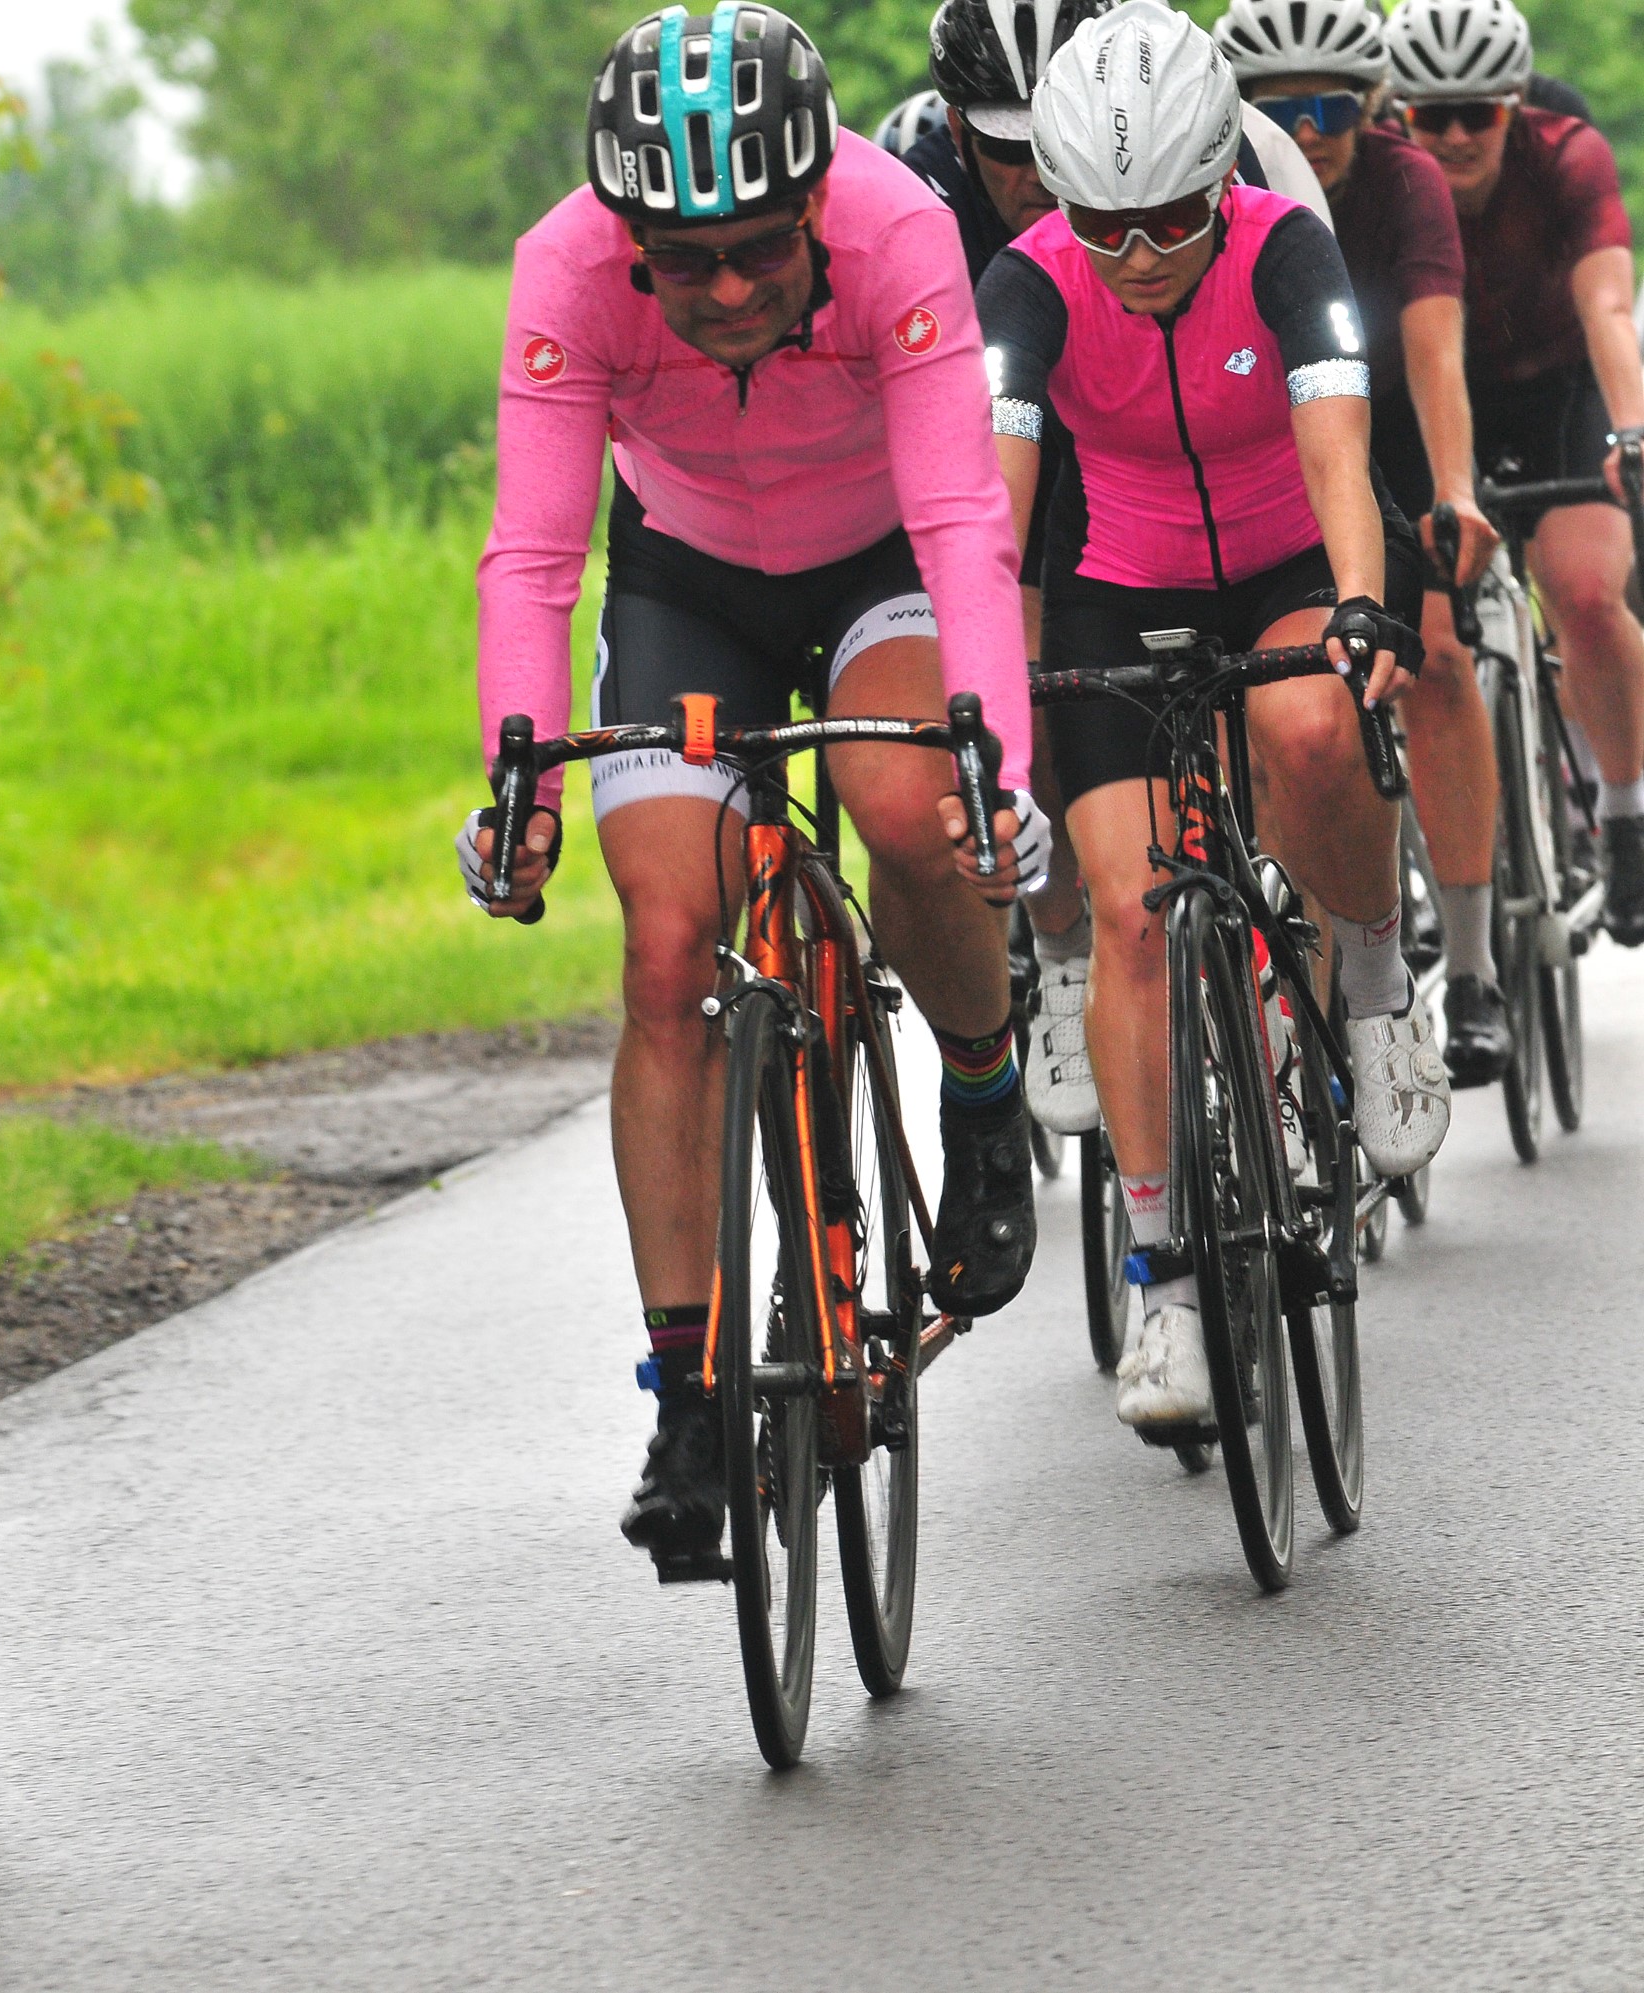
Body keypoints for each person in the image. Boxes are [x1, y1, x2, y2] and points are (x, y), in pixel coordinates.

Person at [471, 5, 1046, 1577]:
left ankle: (983, 1084)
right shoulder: (564, 269)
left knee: (903, 802)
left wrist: (993, 757)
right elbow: (534, 556)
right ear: (628, 239)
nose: (727, 292)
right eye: (684, 262)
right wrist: (518, 779)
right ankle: (691, 1398)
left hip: (881, 563)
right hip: (689, 582)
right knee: (668, 946)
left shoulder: (899, 227)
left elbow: (961, 519)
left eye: (759, 253)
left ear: (813, 206)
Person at [981, 0, 1447, 1427]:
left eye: (1169, 222)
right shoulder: (1029, 285)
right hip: (1121, 582)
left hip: (1294, 556)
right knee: (1129, 915)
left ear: (1217, 184)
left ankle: (1376, 989)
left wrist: (1359, 604)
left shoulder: (1284, 245)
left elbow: (1340, 451)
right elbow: (996, 506)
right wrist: (986, 687)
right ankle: (1167, 1290)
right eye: (1101, 226)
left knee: (1311, 729)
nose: (1135, 257)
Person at [900, 0, 1339, 1141]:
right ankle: (1064, 955)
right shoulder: (920, 195)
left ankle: (1301, 955)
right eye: (1005, 151)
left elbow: (1323, 385)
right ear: (960, 127)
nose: (1031, 182)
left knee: (1294, 726)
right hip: (1035, 462)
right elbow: (961, 479)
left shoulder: (1255, 162)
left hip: (1228, 440)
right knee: (1020, 697)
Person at [1220, 0, 1516, 1083]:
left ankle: (1473, 968)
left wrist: (1454, 493)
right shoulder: (1211, 186)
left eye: (1331, 107)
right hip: (1269, 440)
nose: (1308, 130)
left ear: (1372, 106)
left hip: (1386, 427)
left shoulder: (1405, 180)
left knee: (1435, 656)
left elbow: (1435, 348)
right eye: (1279, 108)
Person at [1386, 0, 1644, 944]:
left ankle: (1625, 813)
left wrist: (1634, 433)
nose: (1455, 136)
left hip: (1558, 390)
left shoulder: (1567, 154)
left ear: (1515, 105)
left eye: (1478, 114)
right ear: (1399, 114)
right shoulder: (1384, 173)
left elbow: (1608, 307)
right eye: (1431, 116)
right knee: (1423, 642)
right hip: (1430, 397)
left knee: (1584, 591)